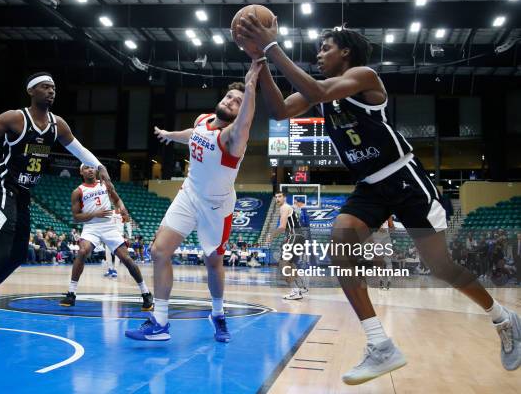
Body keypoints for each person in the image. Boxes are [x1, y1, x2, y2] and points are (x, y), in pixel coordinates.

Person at [236, 23, 520, 381]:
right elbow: (279, 111)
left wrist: (272, 45)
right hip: (369, 186)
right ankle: (379, 344)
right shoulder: (319, 91)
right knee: (340, 241)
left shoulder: (364, 76)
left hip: (403, 178)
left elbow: (318, 90)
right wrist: (260, 61)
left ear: (346, 53)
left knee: (441, 267)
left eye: (326, 48)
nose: (319, 54)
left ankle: (503, 318)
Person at [0, 71, 120, 351]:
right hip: (2, 190)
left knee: (18, 254)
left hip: (23, 195)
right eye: (45, 87)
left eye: (54, 87)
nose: (51, 91)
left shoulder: (58, 125)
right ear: (31, 91)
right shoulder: (15, 118)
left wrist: (103, 170)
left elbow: (81, 152)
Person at [125, 60, 263, 343]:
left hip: (216, 206)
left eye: (238, 102)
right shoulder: (203, 119)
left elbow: (246, 119)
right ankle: (160, 322)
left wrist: (251, 86)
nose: (231, 102)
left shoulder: (234, 138)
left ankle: (218, 313)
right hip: (189, 194)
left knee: (213, 263)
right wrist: (169, 135)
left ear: (241, 112)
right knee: (159, 252)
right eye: (229, 97)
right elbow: (193, 136)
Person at [59, 164, 152, 309]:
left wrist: (123, 209)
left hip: (109, 226)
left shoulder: (105, 184)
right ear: (81, 172)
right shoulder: (77, 192)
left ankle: (146, 293)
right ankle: (71, 293)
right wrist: (95, 214)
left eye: (91, 167)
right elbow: (76, 217)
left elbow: (117, 200)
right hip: (91, 227)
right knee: (82, 251)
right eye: (86, 168)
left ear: (95, 170)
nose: (90, 170)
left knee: (126, 259)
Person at [270, 191, 309, 300]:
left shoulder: (284, 207)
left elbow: (282, 227)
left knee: (284, 263)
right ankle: (301, 287)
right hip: (299, 236)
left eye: (280, 196)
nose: (277, 198)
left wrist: (271, 236)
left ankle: (295, 291)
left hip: (294, 236)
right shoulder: (287, 208)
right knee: (290, 263)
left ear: (285, 198)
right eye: (276, 197)